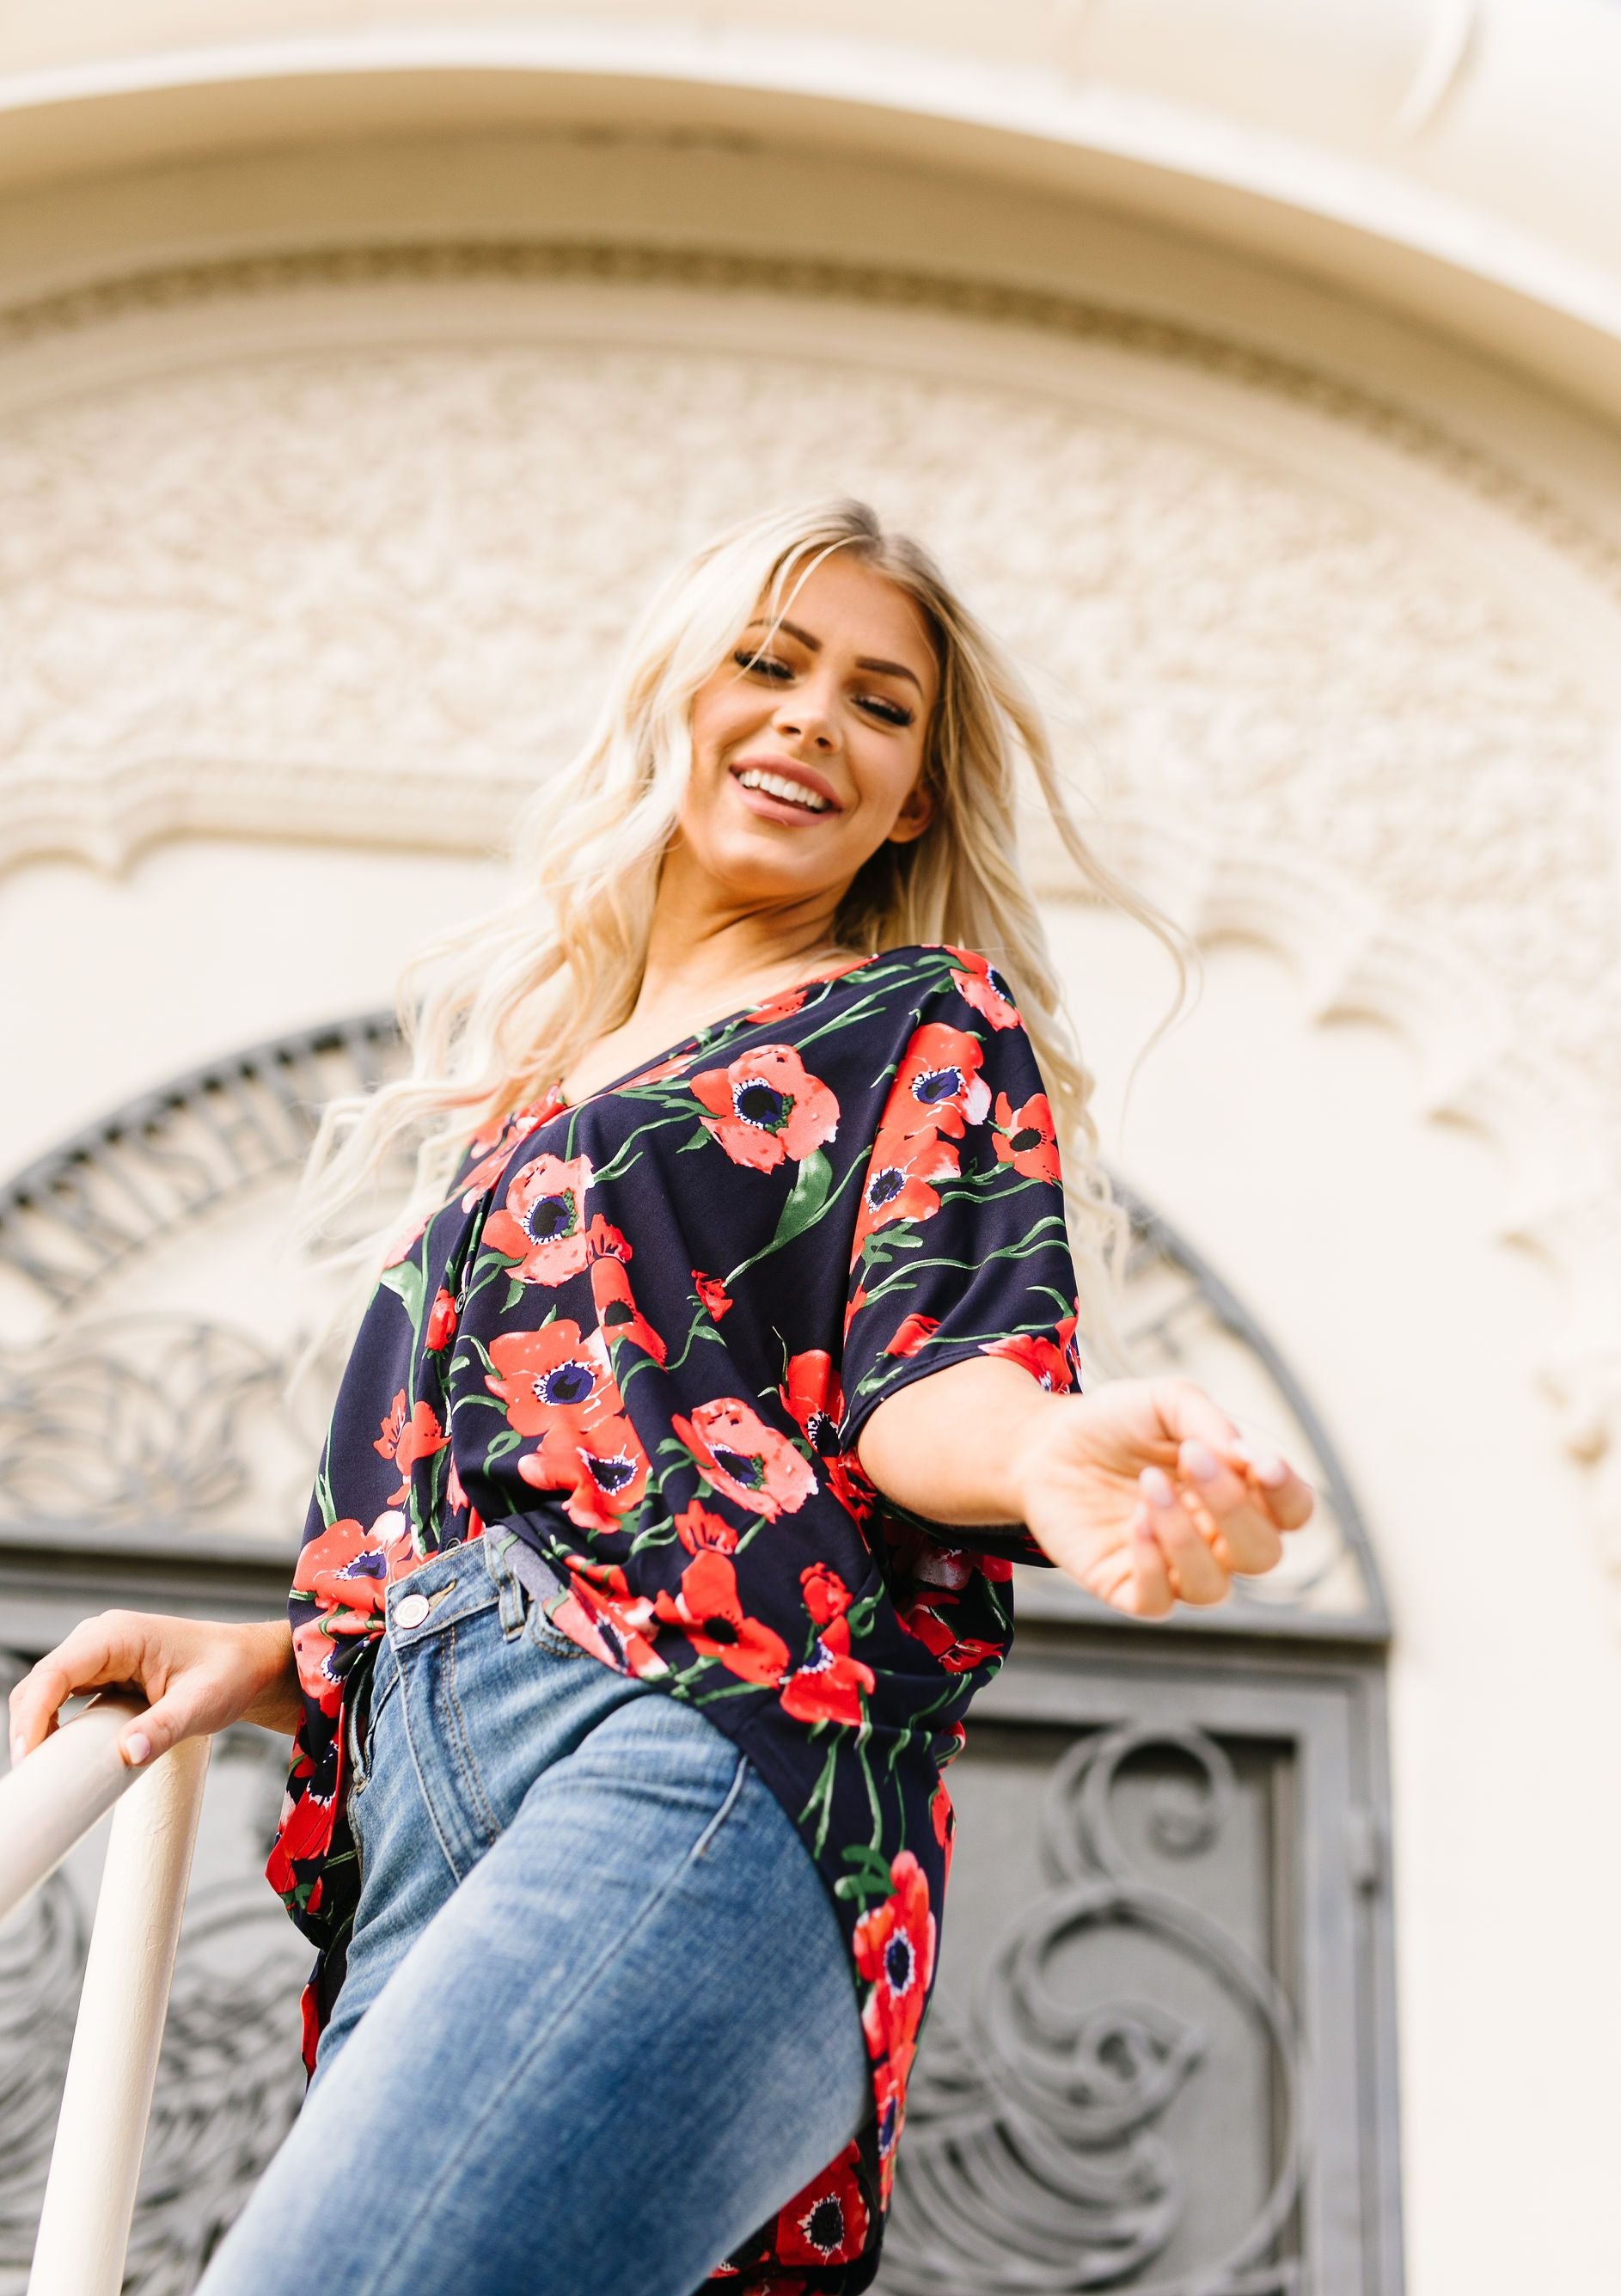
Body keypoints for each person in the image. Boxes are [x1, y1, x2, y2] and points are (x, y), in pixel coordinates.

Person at [9, 498, 1314, 2296]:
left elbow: (927, 1373)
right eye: (766, 666)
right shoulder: (512, 1100)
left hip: (692, 1743)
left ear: (915, 793)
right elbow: (466, 1501)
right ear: (670, 700)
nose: (809, 722)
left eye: (877, 704)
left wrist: (1039, 1451)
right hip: (428, 1811)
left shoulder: (912, 1020)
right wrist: (265, 1666)